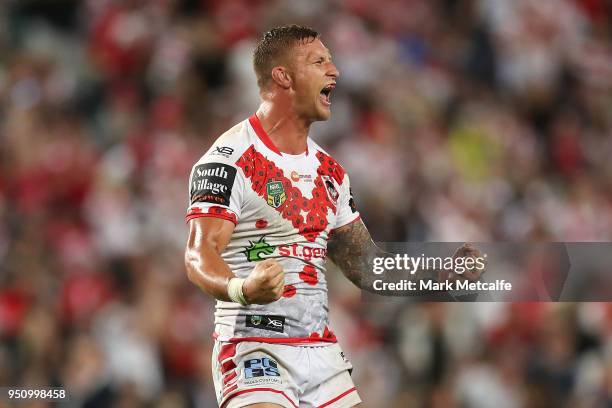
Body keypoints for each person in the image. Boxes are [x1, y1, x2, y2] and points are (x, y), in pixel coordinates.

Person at [184, 25, 481, 408]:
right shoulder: (229, 160)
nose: (335, 71)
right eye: (319, 61)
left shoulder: (330, 173)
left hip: (319, 353)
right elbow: (198, 255)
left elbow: (367, 267)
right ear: (283, 76)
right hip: (254, 347)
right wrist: (243, 288)